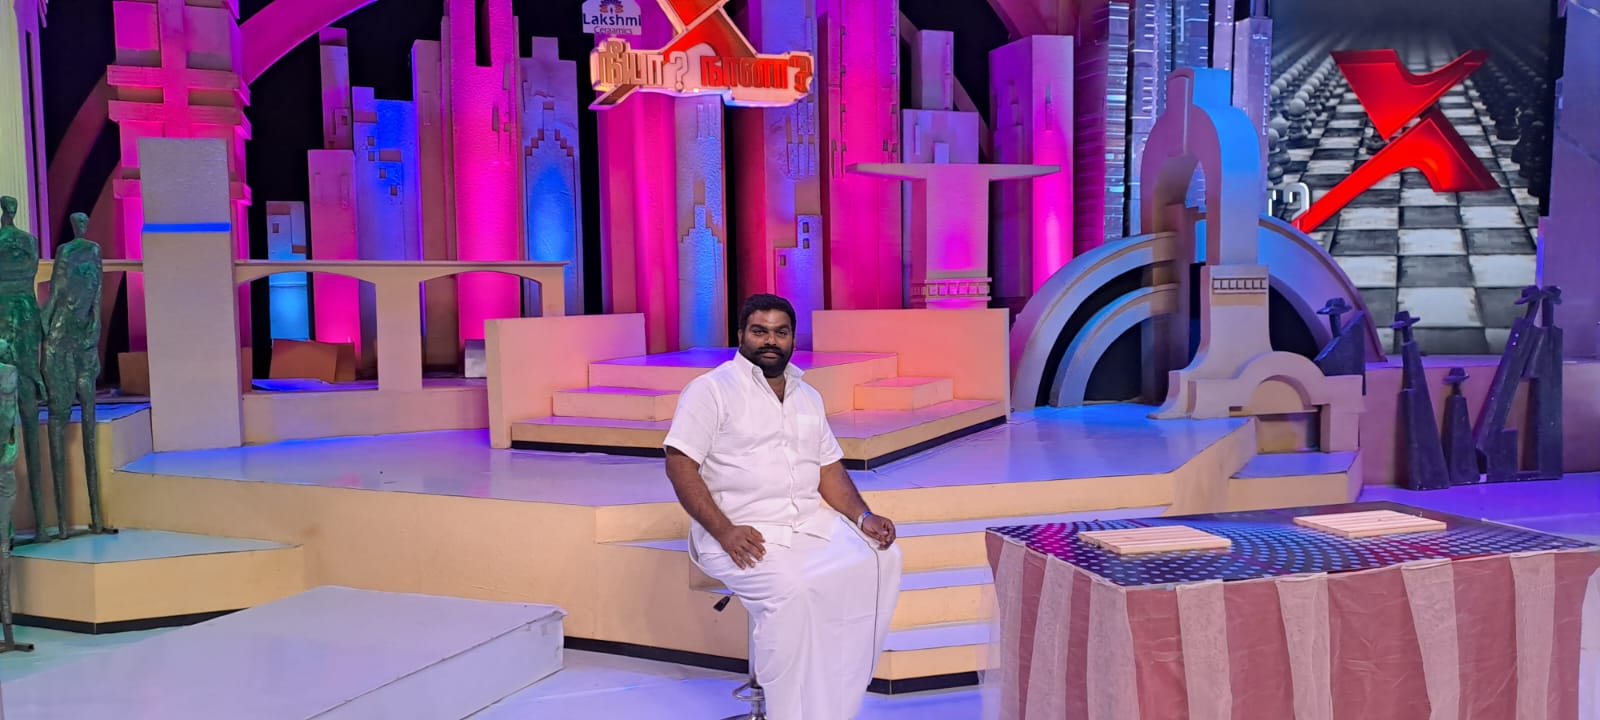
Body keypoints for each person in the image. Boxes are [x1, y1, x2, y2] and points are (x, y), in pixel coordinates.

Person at [664, 293, 902, 720]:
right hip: (742, 533)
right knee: (790, 594)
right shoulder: (711, 391)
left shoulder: (807, 395)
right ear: (741, 335)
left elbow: (828, 468)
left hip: (807, 524)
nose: (770, 340)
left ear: (793, 338)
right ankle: (786, 710)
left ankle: (834, 704)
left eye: (781, 332)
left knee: (882, 558)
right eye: (760, 331)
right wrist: (724, 530)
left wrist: (863, 516)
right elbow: (680, 464)